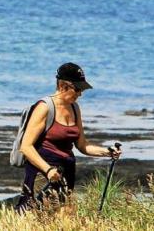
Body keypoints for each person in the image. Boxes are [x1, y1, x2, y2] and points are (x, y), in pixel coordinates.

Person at [16, 62, 122, 211]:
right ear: (62, 86)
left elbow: (82, 145)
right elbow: (26, 146)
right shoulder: (44, 107)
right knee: (37, 218)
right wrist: (48, 170)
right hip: (43, 172)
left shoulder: (74, 108)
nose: (80, 94)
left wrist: (107, 152)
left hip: (66, 171)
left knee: (65, 218)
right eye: (77, 89)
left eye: (82, 89)